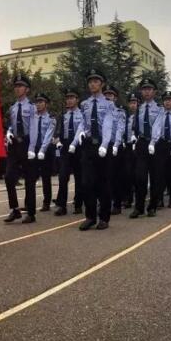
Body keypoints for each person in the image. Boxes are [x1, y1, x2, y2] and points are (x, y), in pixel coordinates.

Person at [74, 68, 115, 231]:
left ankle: (104, 217)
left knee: (102, 182)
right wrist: (79, 135)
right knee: (86, 182)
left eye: (96, 81)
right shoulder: (84, 104)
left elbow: (108, 125)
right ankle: (90, 216)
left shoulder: (109, 104)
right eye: (90, 81)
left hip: (103, 145)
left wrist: (104, 145)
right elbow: (83, 124)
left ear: (102, 84)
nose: (92, 84)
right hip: (88, 145)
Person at [3, 74, 35, 223]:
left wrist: (34, 147)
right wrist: (9, 132)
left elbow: (34, 128)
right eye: (16, 86)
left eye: (20, 86)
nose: (17, 89)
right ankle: (15, 209)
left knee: (29, 178)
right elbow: (11, 124)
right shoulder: (13, 108)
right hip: (15, 144)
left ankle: (31, 211)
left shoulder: (33, 107)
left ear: (26, 89)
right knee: (9, 176)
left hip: (28, 143)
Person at [130, 78, 161, 219]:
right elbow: (135, 126)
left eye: (149, 89)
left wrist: (153, 142)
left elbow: (157, 127)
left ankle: (152, 206)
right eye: (144, 89)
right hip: (142, 144)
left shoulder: (160, 109)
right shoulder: (140, 108)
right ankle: (139, 207)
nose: (146, 92)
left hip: (155, 144)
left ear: (154, 92)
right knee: (139, 177)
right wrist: (134, 136)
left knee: (154, 177)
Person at [53, 88, 84, 216]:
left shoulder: (82, 115)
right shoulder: (63, 116)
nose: (69, 100)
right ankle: (62, 205)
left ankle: (78, 204)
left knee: (79, 176)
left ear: (77, 100)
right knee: (63, 176)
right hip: (65, 147)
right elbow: (57, 132)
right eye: (68, 98)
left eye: (72, 98)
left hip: (78, 147)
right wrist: (57, 140)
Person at [149, 91, 171, 210]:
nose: (167, 101)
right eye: (165, 99)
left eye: (170, 99)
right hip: (161, 144)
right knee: (159, 173)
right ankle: (160, 200)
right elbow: (156, 129)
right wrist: (152, 143)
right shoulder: (160, 116)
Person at [26, 92, 56, 220]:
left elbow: (48, 136)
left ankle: (46, 201)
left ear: (46, 104)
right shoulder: (33, 117)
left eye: (41, 102)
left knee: (45, 177)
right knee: (30, 177)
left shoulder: (51, 119)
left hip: (45, 150)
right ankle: (29, 204)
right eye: (37, 102)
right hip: (34, 149)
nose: (38, 104)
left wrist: (42, 150)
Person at [103, 84, 125, 215]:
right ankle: (105, 201)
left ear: (115, 98)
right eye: (105, 95)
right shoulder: (100, 112)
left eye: (110, 95)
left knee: (115, 176)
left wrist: (116, 145)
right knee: (103, 176)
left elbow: (120, 130)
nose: (107, 97)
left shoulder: (119, 113)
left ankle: (116, 203)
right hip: (102, 147)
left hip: (114, 147)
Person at [122, 93, 139, 209]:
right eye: (131, 103)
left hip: (138, 147)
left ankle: (138, 197)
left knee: (137, 174)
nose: (133, 105)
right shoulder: (126, 117)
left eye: (135, 103)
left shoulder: (141, 117)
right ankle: (128, 198)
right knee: (127, 173)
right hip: (127, 146)